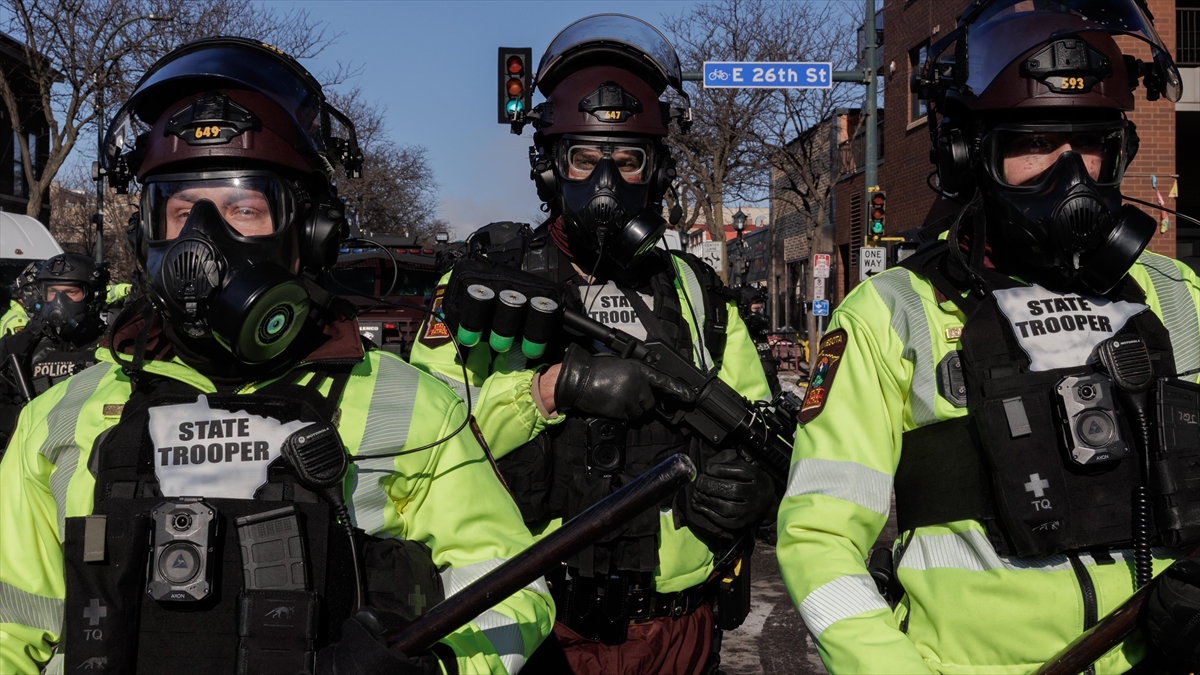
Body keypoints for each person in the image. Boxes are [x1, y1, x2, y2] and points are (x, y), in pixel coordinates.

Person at [0, 37, 551, 675]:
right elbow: (13, 628)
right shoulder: (61, 418)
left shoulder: (410, 405)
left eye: (244, 208)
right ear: (141, 236)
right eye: (181, 212)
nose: (202, 244)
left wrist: (444, 668)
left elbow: (510, 585)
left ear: (311, 234)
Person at [777, 1, 1200, 673]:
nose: (1072, 177)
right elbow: (817, 541)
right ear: (970, 153)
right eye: (1032, 144)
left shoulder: (1175, 293)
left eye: (1090, 144)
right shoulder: (890, 313)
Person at [409, 15, 773, 675]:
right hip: (542, 630)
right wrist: (548, 390)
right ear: (550, 168)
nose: (605, 183)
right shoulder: (488, 285)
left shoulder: (694, 291)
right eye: (584, 157)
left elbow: (759, 424)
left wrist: (754, 488)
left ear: (654, 170)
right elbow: (422, 454)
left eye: (627, 159)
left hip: (679, 632)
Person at [0, 253, 108, 454]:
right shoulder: (18, 346)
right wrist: (23, 420)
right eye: (52, 292)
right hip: (27, 453)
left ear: (93, 295)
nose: (59, 301)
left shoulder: (114, 347)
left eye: (71, 292)